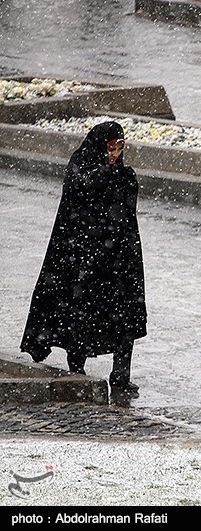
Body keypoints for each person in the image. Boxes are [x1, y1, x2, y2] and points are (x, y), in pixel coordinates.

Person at [20, 121, 147, 401]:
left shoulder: (123, 174)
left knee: (123, 315)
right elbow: (81, 193)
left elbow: (125, 212)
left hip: (117, 259)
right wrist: (109, 176)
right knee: (82, 313)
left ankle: (121, 375)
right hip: (84, 259)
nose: (115, 153)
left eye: (120, 147)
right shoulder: (81, 166)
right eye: (111, 147)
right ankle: (77, 369)